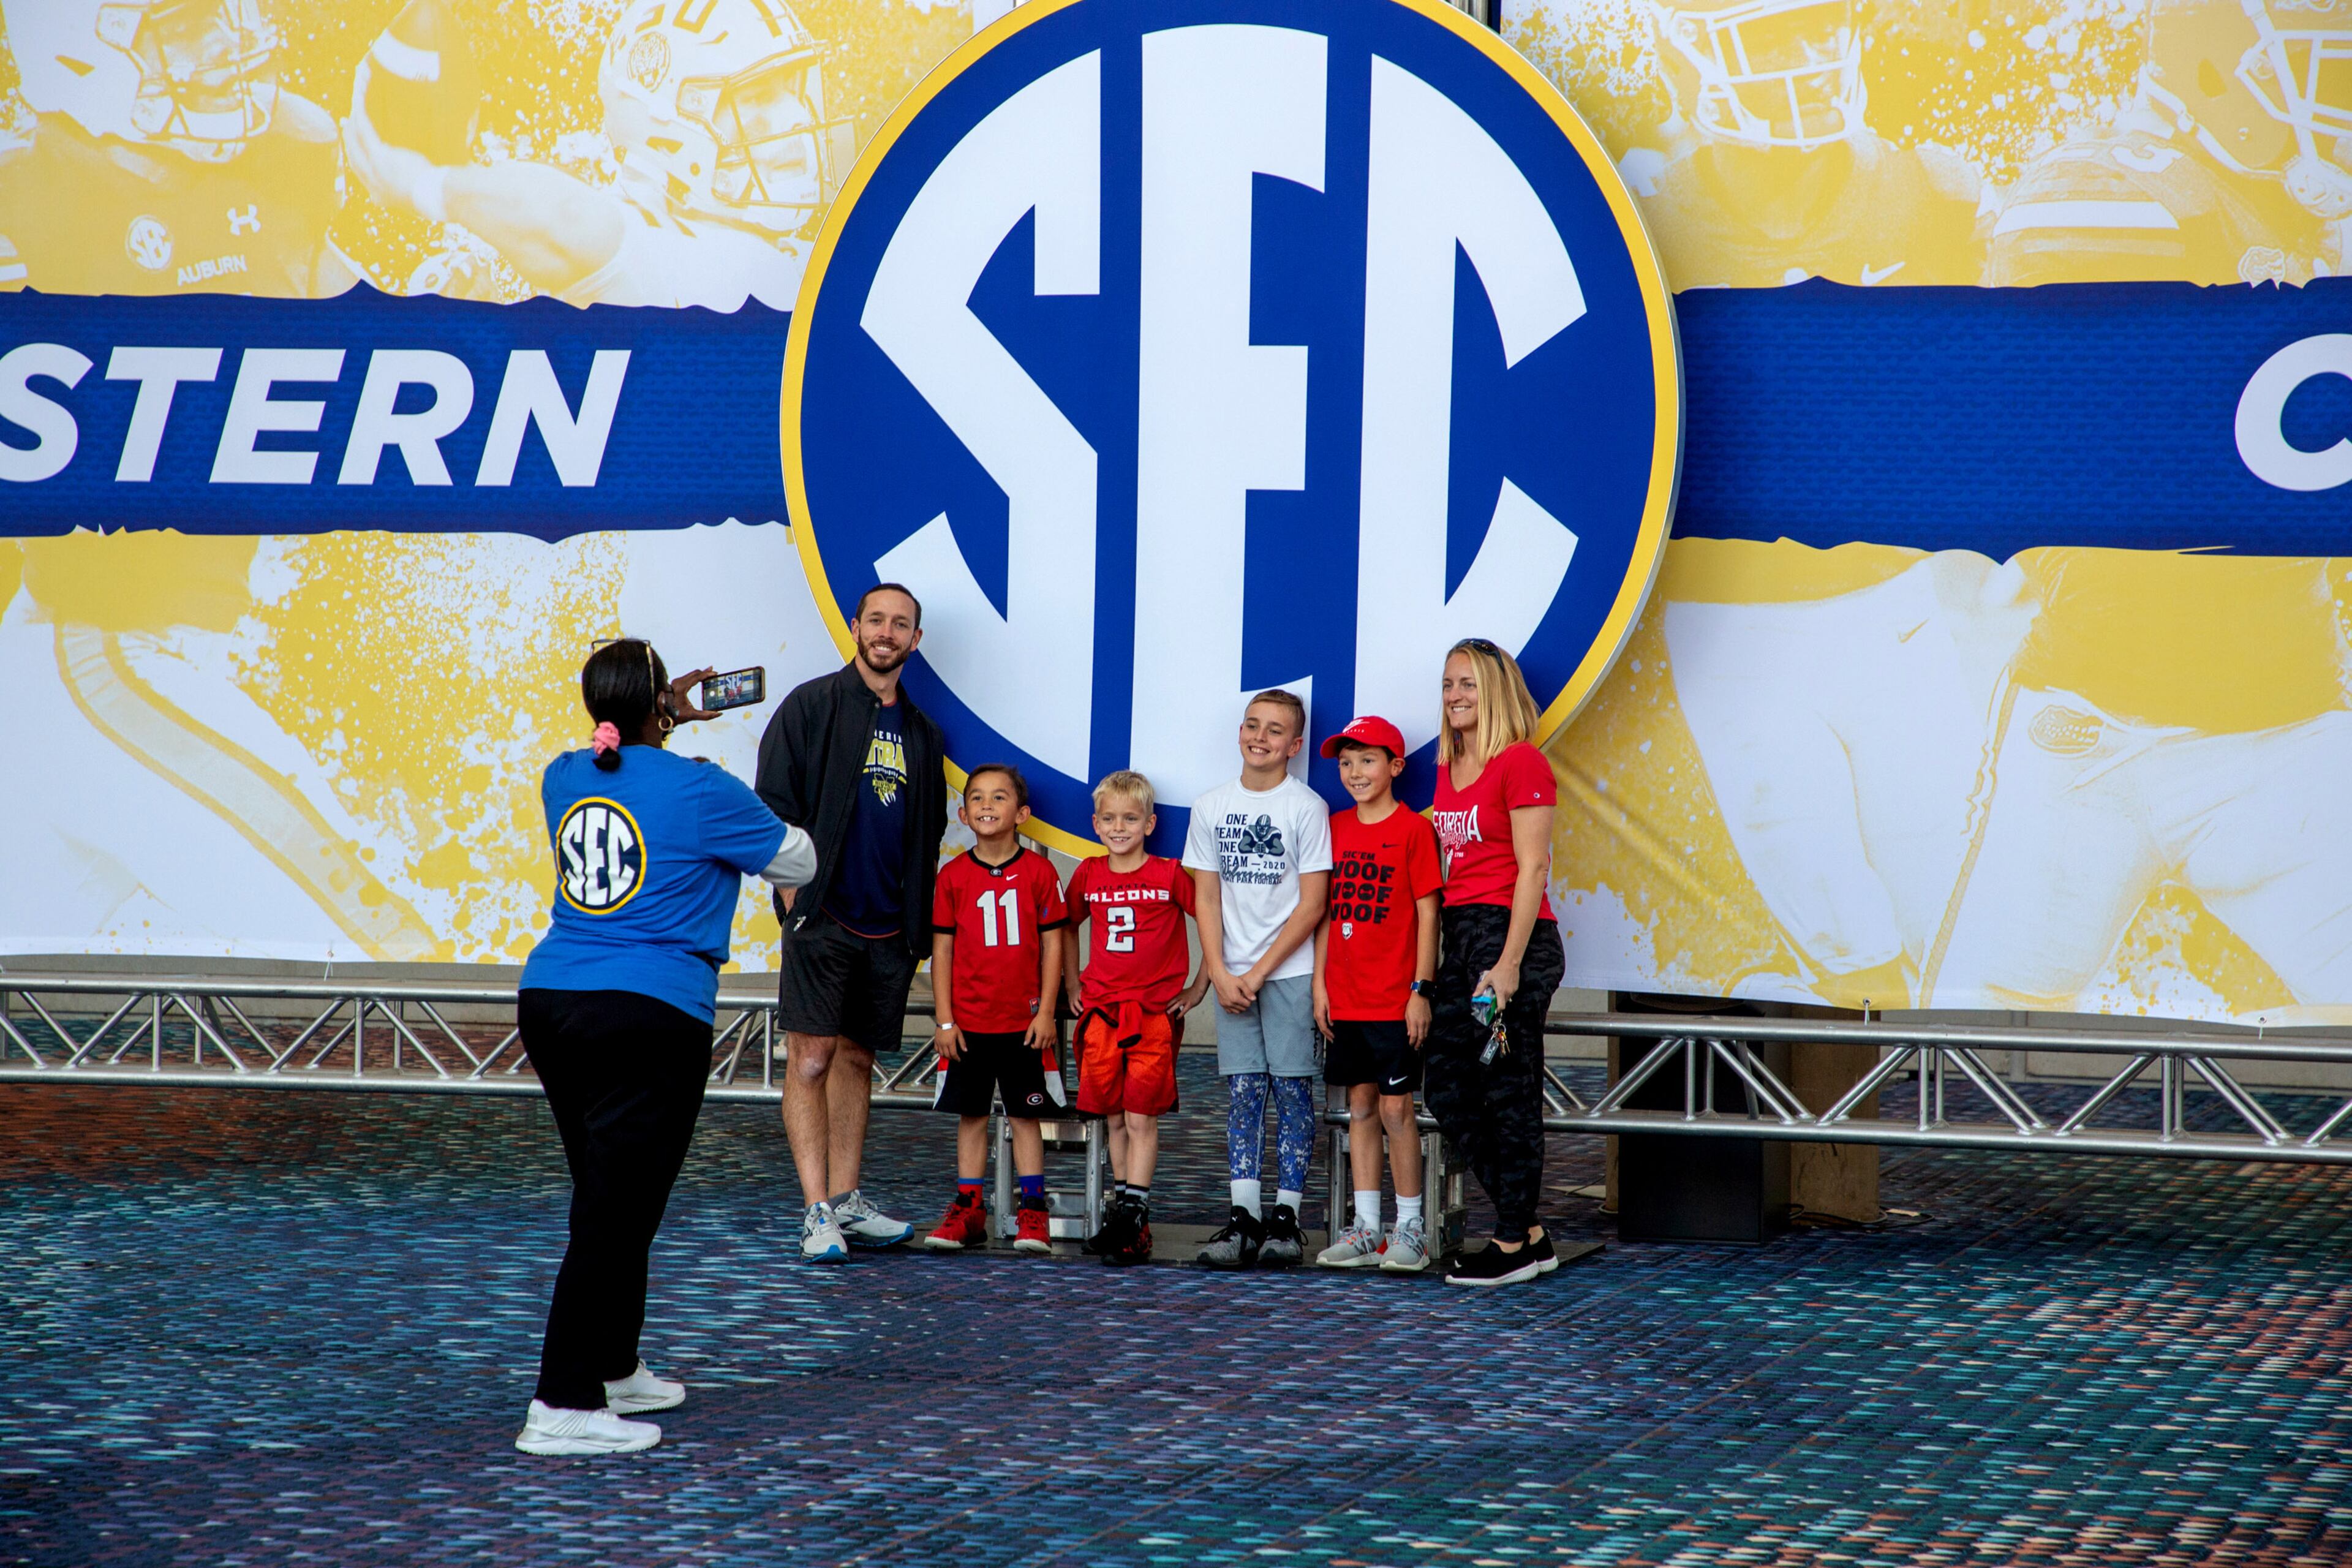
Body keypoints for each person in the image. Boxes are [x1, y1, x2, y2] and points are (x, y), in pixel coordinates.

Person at [513, 638, 816, 1456]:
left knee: (613, 1199)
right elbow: (799, 857)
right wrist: (676, 728)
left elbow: (620, 757)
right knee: (614, 1214)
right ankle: (562, 1403)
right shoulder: (700, 789)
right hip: (646, 1015)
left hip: (554, 1003)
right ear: (660, 707)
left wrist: (658, 717)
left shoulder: (565, 775)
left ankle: (613, 1365)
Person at [341, 0, 846, 306]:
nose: (797, 117)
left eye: (791, 89)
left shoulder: (784, 256)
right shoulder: (681, 257)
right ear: (669, 119)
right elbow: (567, 216)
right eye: (758, 96)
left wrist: (419, 184)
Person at [754, 584, 947, 1262]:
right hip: (822, 919)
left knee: (859, 1060)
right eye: (876, 620)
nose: (886, 633)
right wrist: (791, 904)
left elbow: (927, 832)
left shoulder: (923, 734)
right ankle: (814, 1212)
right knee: (810, 1058)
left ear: (914, 640)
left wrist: (916, 929)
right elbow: (772, 809)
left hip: (888, 928)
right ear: (857, 627)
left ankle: (846, 1201)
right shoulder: (811, 705)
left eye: (900, 624)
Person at [0, 0, 358, 298]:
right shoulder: (22, 203)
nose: (224, 42)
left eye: (221, 14)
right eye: (185, 28)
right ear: (80, 57)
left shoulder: (291, 141)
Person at [1427, 639, 1567, 1288]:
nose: (1456, 695)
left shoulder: (1521, 762)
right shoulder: (1447, 765)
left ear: (1498, 692)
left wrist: (1508, 966)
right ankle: (1530, 1229)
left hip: (1509, 945)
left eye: (1471, 685)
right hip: (1464, 940)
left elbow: (1533, 866)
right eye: (1451, 683)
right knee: (1450, 1088)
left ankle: (1512, 1241)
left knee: (1507, 1089)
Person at [1183, 691, 1333, 1270]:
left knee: (1294, 1092)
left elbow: (1313, 903)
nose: (1260, 737)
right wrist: (1219, 971)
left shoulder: (1307, 807)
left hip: (1289, 973)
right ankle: (1242, 1215)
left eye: (1275, 731)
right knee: (1244, 1094)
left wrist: (1259, 970)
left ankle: (1286, 1218)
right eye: (1252, 725)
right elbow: (1206, 894)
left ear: (1294, 746)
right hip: (1231, 980)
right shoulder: (1211, 806)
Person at [1310, 716, 1443, 1272]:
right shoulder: (1333, 827)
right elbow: (1321, 911)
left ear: (1394, 767)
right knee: (1360, 1107)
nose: (1355, 772)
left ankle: (1410, 1226)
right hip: (1345, 997)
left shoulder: (1413, 829)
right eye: (1345, 762)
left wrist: (1421, 989)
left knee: (1396, 1109)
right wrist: (1320, 983)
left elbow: (1428, 912)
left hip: (1394, 999)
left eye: (1367, 760)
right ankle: (1367, 1227)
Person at [1061, 771, 1209, 1267]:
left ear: (1150, 822)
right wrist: (1071, 985)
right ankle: (1127, 1216)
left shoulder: (1169, 873)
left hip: (1152, 1012)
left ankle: (1134, 1211)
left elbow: (1212, 924)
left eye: (1129, 818)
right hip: (1102, 1009)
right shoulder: (1088, 873)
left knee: (1142, 1114)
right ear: (1095, 824)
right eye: (1109, 819)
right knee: (1115, 1115)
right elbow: (1063, 928)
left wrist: (1200, 986)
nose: (1119, 827)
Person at [922, 764, 1069, 1254]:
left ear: (1022, 814)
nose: (987, 805)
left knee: (1026, 1118)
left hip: (1024, 1025)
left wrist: (1047, 1011)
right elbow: (941, 952)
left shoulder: (1041, 873)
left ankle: (1032, 1212)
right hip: (967, 1026)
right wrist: (945, 1019)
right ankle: (968, 1208)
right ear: (963, 813)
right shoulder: (952, 877)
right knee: (972, 1115)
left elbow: (1054, 948)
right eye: (978, 798)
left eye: (1000, 797)